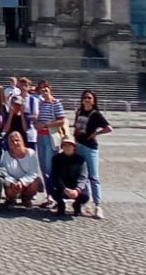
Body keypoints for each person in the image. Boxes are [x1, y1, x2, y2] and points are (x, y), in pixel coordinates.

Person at [74, 89, 112, 219]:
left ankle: (98, 206)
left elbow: (108, 128)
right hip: (78, 146)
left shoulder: (96, 114)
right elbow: (76, 129)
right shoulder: (78, 112)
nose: (86, 99)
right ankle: (83, 202)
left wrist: (96, 133)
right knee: (81, 176)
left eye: (89, 98)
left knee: (93, 177)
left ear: (94, 100)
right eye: (85, 97)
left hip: (90, 147)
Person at [34, 80, 66, 201]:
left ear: (50, 88)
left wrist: (46, 125)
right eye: (41, 88)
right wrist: (36, 123)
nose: (44, 90)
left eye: (46, 87)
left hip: (50, 137)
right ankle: (49, 195)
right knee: (43, 167)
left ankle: (55, 194)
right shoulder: (39, 104)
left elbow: (62, 120)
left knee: (49, 167)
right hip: (40, 137)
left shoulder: (56, 103)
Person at [48, 138, 90, 216]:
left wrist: (77, 190)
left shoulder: (80, 159)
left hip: (75, 185)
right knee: (51, 188)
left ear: (74, 147)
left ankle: (77, 205)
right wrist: (64, 188)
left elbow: (83, 177)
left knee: (86, 195)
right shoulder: (56, 158)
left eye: (69, 145)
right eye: (65, 145)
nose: (67, 147)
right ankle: (61, 205)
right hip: (63, 185)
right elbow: (56, 175)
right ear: (62, 147)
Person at [0, 131, 42, 206]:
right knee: (8, 185)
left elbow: (33, 172)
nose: (15, 143)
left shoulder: (31, 153)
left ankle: (26, 198)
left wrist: (21, 182)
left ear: (22, 141)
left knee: (35, 182)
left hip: (26, 182)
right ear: (9, 144)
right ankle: (11, 198)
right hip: (13, 182)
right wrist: (12, 181)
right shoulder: (6, 155)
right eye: (12, 141)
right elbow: (3, 171)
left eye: (17, 140)